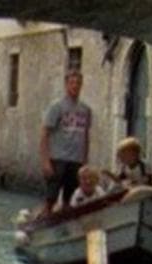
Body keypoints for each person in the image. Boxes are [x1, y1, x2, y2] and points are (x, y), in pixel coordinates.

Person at [39, 70, 92, 215]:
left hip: (76, 159)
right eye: (72, 83)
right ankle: (45, 219)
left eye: (78, 83)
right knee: (51, 197)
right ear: (66, 85)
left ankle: (66, 225)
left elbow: (86, 135)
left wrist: (85, 160)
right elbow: (44, 133)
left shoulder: (86, 110)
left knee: (70, 197)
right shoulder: (56, 107)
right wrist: (45, 161)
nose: (75, 86)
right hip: (58, 158)